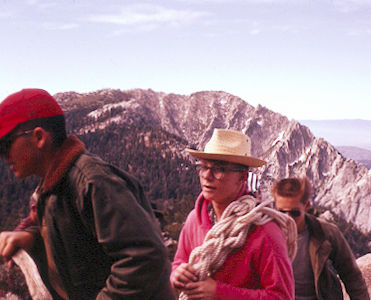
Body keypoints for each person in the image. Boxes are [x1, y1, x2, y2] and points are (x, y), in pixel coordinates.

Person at [0, 89, 175, 299]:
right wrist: (31, 237)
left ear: (39, 137)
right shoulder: (54, 185)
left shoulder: (92, 183)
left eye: (5, 144)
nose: (3, 156)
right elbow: (78, 240)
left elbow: (145, 258)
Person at [170, 128, 296, 300]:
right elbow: (179, 261)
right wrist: (177, 274)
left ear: (243, 177)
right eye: (204, 167)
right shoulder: (194, 219)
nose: (207, 176)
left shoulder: (265, 233)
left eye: (219, 169)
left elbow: (282, 296)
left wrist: (219, 293)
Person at [272, 177, 370, 300]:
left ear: (306, 206)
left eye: (295, 213)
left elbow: (351, 274)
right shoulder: (268, 234)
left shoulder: (327, 233)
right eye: (281, 212)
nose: (288, 218)